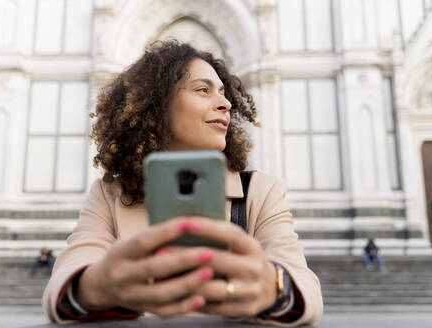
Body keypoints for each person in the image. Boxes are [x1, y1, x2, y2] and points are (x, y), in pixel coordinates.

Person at [42, 41, 323, 326]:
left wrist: (273, 287)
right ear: (157, 103)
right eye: (203, 90)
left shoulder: (261, 191)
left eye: (224, 94)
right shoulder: (108, 194)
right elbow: (67, 276)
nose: (225, 104)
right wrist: (97, 286)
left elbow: (305, 287)